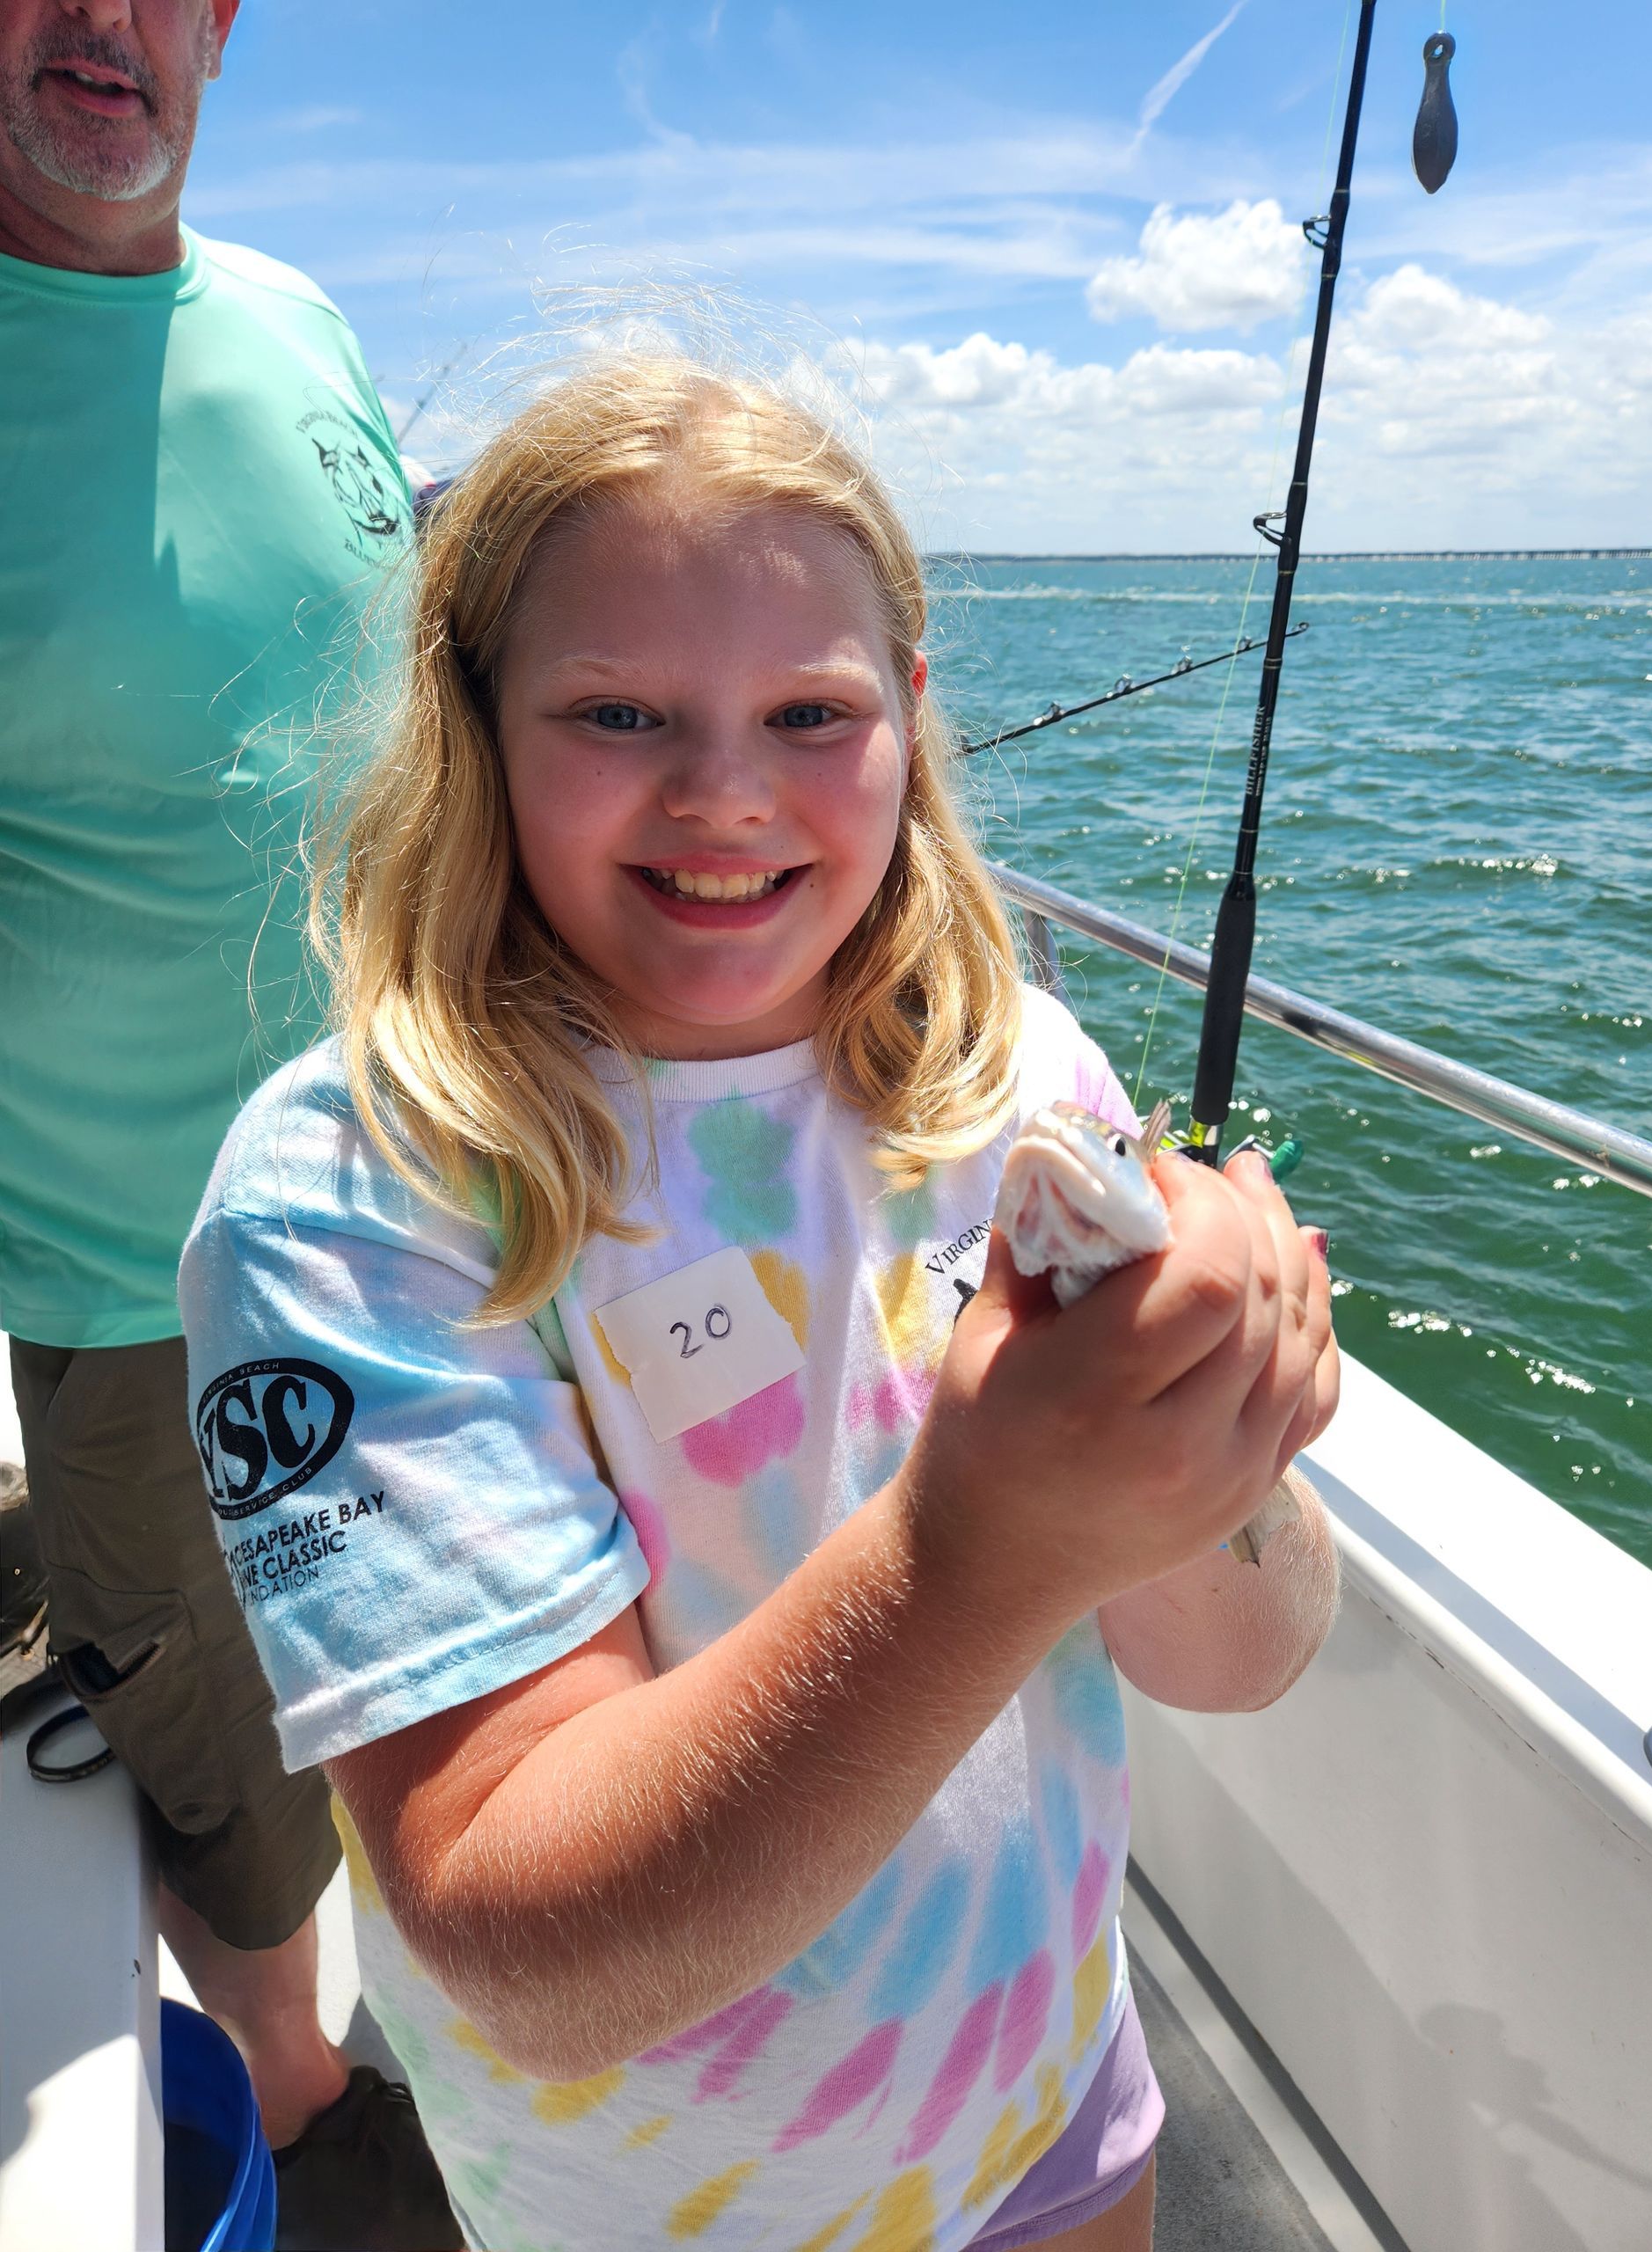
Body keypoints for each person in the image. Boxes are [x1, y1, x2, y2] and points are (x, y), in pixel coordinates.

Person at [178, 358, 1342, 2252]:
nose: (724, 792)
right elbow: (526, 1949)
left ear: (908, 719)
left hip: (1054, 2094)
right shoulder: (348, 1203)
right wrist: (980, 1542)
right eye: (617, 712)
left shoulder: (1017, 1074)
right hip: (663, 2208)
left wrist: (1221, 1439)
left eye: (811, 711)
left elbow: (1247, 1652)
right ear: (475, 726)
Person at [0, 2, 457, 2242]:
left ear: (223, 26)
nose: (102, 20)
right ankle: (317, 2124)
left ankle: (477, 2067)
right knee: (247, 1826)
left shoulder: (300, 316)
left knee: (469, 1701)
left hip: (435, 1209)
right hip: (134, 1288)